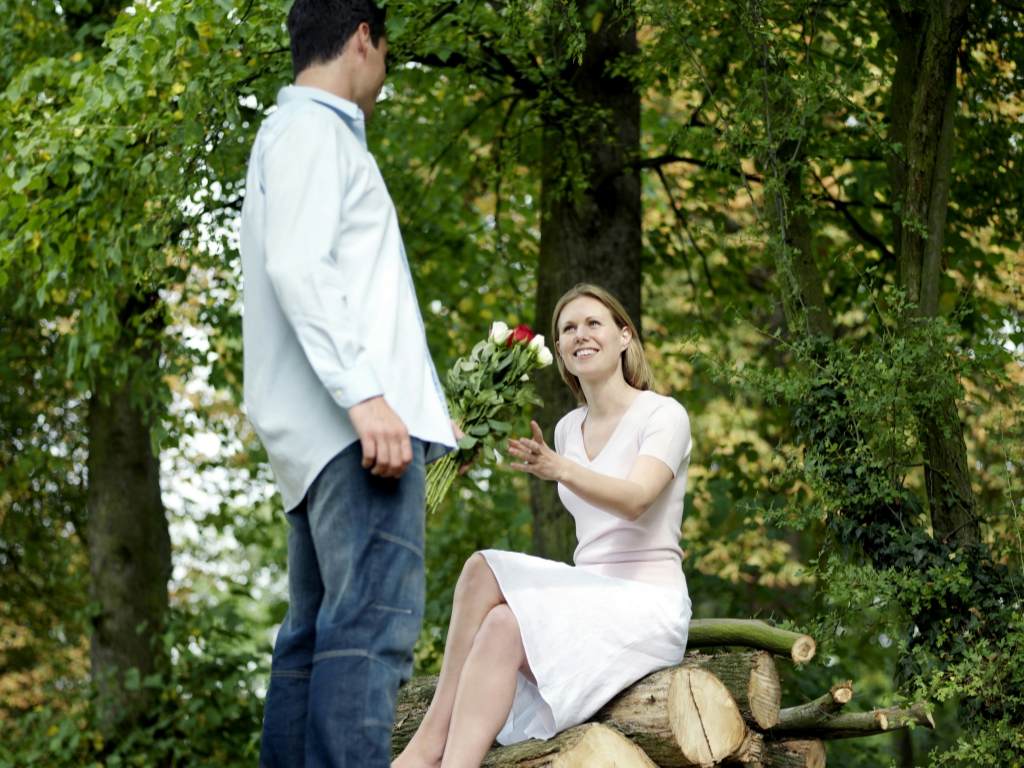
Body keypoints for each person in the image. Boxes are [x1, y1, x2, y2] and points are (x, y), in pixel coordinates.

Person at [238, 1, 457, 765]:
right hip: (355, 436)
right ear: (365, 38)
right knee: (369, 632)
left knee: (312, 642)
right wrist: (366, 397)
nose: (384, 73)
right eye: (387, 53)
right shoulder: (313, 131)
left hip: (323, 440)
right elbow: (299, 265)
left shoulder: (290, 135)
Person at [394, 283, 693, 768]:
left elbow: (637, 499)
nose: (580, 335)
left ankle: (426, 744)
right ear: (559, 350)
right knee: (498, 616)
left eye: (593, 323)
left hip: (647, 605)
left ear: (624, 336)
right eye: (568, 329)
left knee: (488, 575)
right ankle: (443, 755)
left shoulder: (663, 414)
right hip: (589, 595)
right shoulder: (567, 428)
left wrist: (561, 469)